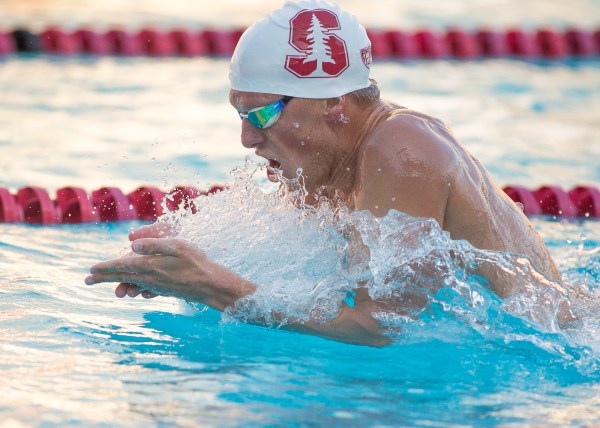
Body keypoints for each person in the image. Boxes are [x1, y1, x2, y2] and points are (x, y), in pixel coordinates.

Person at [86, 0, 563, 347]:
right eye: (241, 115)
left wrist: (211, 285)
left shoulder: (403, 151)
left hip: (559, 347)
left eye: (262, 115)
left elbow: (382, 327)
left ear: (333, 103)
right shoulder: (325, 162)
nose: (248, 140)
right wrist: (186, 260)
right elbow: (308, 264)